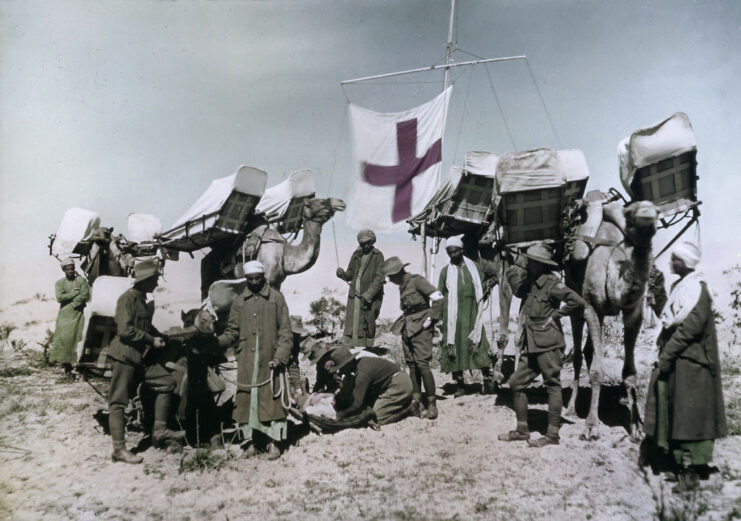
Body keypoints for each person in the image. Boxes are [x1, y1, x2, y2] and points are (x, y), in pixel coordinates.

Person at [642, 242, 727, 492]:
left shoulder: (698, 289)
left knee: (689, 418)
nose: (671, 264)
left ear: (686, 263)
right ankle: (678, 465)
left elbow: (689, 328)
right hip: (680, 360)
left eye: (674, 260)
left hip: (693, 363)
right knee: (675, 413)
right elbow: (670, 317)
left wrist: (666, 355)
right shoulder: (681, 287)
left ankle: (690, 472)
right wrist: (657, 291)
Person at [498, 242, 584, 448]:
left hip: (548, 344)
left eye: (532, 262)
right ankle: (522, 430)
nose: (528, 264)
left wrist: (556, 315)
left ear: (540, 264)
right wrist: (509, 263)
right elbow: (518, 290)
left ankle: (552, 435)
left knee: (552, 385)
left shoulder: (554, 283)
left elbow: (577, 301)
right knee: (517, 383)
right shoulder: (531, 282)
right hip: (531, 344)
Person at [108, 259, 184, 464]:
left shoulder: (141, 299)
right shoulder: (127, 299)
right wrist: (151, 340)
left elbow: (145, 326)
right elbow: (125, 330)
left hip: (139, 358)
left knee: (167, 382)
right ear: (146, 280)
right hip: (125, 357)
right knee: (118, 402)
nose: (157, 283)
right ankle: (119, 450)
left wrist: (163, 336)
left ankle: (159, 430)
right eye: (155, 278)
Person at [217, 260, 292, 460]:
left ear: (263, 277)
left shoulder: (276, 298)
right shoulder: (239, 301)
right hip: (247, 361)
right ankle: (249, 443)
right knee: (246, 401)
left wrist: (280, 357)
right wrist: (217, 343)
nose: (254, 282)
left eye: (257, 278)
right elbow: (232, 331)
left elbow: (286, 332)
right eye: (249, 279)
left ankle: (273, 444)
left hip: (270, 360)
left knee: (272, 401)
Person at [385, 256, 443, 419]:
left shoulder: (416, 281)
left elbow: (438, 297)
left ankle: (432, 403)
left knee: (422, 364)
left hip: (421, 325)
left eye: (390, 276)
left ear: (397, 273)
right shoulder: (402, 286)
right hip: (407, 326)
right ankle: (417, 401)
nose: (390, 280)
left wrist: (431, 319)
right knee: (411, 365)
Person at [438, 235, 495, 396]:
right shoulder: (445, 272)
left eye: (455, 251)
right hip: (453, 317)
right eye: (449, 253)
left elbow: (483, 285)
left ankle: (488, 381)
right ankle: (460, 385)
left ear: (461, 250)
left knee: (478, 344)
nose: (453, 255)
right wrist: (441, 319)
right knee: (454, 348)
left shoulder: (475, 267)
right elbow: (440, 294)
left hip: (472, 314)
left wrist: (488, 287)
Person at [328, 346, 413, 425]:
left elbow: (357, 404)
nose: (340, 371)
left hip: (399, 385)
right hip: (391, 384)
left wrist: (340, 415)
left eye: (342, 368)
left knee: (376, 419)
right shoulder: (359, 364)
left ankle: (409, 409)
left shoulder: (362, 373)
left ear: (349, 363)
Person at [336, 229, 385, 348]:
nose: (366, 245)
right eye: (363, 244)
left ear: (372, 241)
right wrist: (341, 274)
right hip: (355, 294)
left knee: (368, 321)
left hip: (370, 296)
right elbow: (350, 274)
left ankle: (367, 348)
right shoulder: (356, 254)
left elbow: (379, 279)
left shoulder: (378, 256)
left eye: (368, 242)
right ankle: (352, 347)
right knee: (353, 321)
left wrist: (368, 295)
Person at [50, 258, 89, 382]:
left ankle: (80, 370)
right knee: (64, 340)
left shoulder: (81, 281)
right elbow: (60, 298)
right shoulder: (59, 283)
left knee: (78, 339)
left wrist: (73, 304)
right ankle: (68, 370)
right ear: (64, 270)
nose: (71, 271)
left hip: (78, 314)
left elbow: (85, 295)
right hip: (64, 315)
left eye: (72, 268)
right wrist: (73, 293)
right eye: (68, 269)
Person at [288, 315, 311, 400]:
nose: (296, 336)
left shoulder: (295, 345)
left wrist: (297, 387)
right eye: (294, 333)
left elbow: (293, 366)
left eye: (297, 334)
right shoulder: (276, 341)